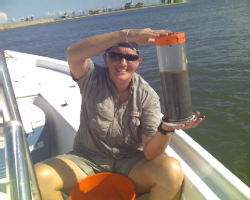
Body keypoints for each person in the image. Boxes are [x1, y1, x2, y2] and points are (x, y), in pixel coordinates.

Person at [34, 28, 205, 200]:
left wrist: (167, 127)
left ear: (138, 62)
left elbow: (150, 154)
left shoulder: (148, 96)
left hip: (131, 163)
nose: (123, 62)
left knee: (171, 171)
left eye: (131, 57)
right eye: (116, 55)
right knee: (38, 177)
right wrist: (125, 34)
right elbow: (73, 53)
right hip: (86, 159)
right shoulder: (91, 78)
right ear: (105, 58)